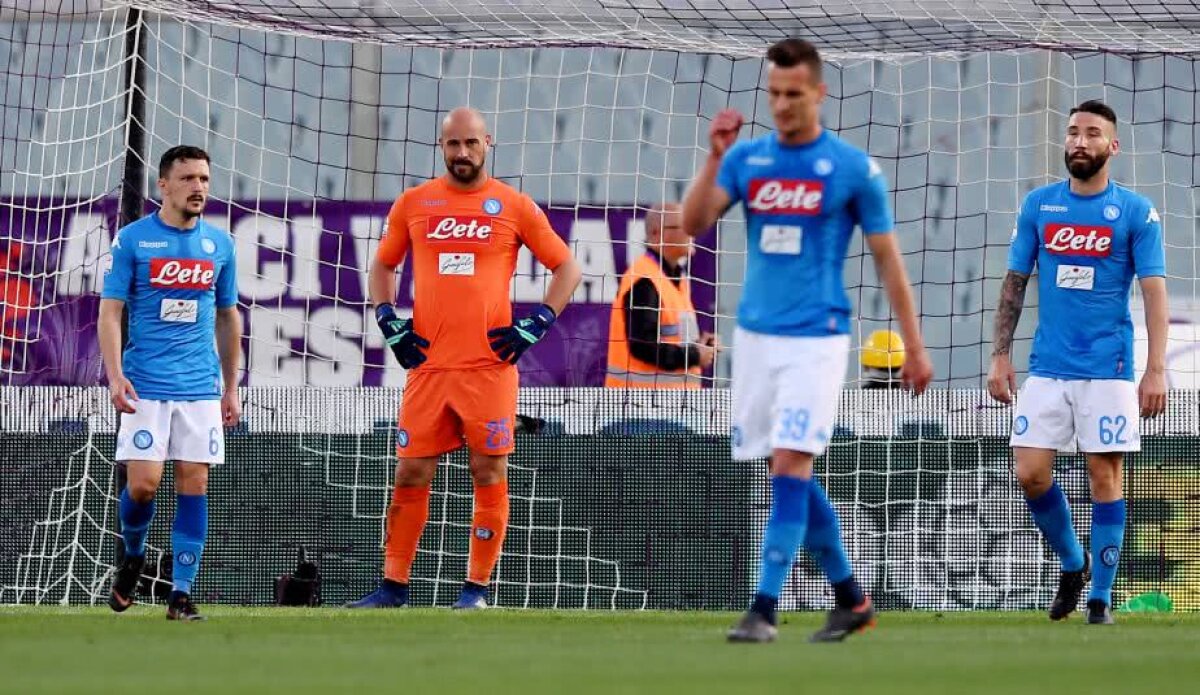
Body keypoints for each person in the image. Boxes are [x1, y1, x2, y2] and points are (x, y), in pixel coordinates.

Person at [681, 37, 933, 643]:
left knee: (793, 460)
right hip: (756, 339)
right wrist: (715, 157)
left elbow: (888, 262)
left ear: (819, 93)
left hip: (818, 339)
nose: (784, 105)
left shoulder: (852, 169)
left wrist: (915, 345)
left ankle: (763, 609)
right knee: (784, 470)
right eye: (774, 94)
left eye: (795, 95)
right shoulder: (749, 161)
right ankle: (851, 597)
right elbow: (691, 224)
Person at [349, 107, 582, 609]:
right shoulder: (415, 203)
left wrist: (538, 321)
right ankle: (393, 587)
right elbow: (382, 266)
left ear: (487, 143)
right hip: (428, 367)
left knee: (488, 471)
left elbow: (567, 267)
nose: (461, 153)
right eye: (453, 144)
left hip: (489, 369)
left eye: (470, 144)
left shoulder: (514, 206)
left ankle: (475, 589)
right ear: (441, 145)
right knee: (410, 473)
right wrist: (388, 319)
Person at [988, 99, 1168, 625]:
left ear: (1112, 146)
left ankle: (1100, 600)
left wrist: (1154, 368)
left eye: (1092, 133)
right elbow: (1014, 283)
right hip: (1047, 365)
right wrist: (1000, 354)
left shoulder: (1136, 211)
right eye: (1073, 133)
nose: (1079, 141)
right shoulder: (1040, 206)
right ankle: (1073, 562)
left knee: (1102, 476)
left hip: (1107, 369)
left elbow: (1155, 292)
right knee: (1029, 473)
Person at [100, 145, 242, 621]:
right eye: (187, 179)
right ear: (164, 186)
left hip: (200, 387)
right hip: (145, 386)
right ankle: (134, 556)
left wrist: (231, 386)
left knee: (194, 482)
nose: (198, 187)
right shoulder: (134, 241)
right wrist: (115, 375)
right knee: (142, 487)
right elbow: (110, 311)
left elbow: (228, 316)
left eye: (204, 178)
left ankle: (180, 594)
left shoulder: (219, 245)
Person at [606, 203, 718, 388]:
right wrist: (695, 355)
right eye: (685, 226)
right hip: (640, 407)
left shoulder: (677, 279)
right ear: (658, 233)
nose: (692, 232)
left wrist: (700, 345)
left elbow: (672, 336)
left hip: (673, 405)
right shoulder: (644, 280)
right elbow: (642, 346)